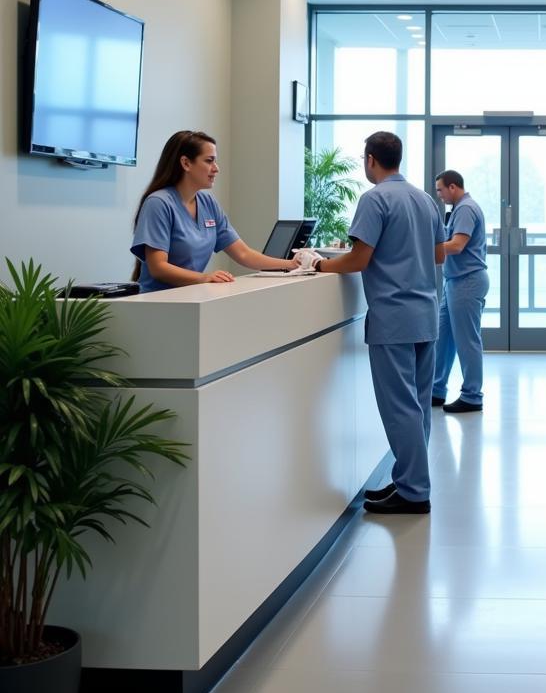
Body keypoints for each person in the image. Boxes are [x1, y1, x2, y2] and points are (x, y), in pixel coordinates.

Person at [310, 131, 445, 515]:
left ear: (371, 159)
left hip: (394, 317)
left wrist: (320, 264)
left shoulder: (375, 199)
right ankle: (409, 482)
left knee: (400, 406)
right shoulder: (425, 199)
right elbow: (438, 255)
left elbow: (358, 259)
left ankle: (415, 491)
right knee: (417, 404)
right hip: (425, 313)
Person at [131, 130, 298, 292]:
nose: (216, 168)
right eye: (209, 161)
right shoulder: (158, 203)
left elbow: (244, 254)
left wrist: (292, 264)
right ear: (186, 163)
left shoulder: (208, 203)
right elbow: (158, 267)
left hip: (193, 298)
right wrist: (203, 278)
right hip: (158, 303)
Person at [431, 170, 489, 414]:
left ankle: (472, 396)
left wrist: (424, 247)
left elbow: (456, 245)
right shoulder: (458, 210)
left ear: (453, 187)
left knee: (467, 341)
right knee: (443, 339)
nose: (440, 196)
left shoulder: (465, 209)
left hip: (467, 282)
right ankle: (436, 390)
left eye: (440, 190)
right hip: (453, 282)